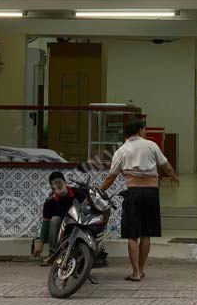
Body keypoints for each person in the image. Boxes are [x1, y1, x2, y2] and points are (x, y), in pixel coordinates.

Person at [100, 116, 178, 282]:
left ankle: (135, 272)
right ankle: (141, 270)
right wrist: (174, 176)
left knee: (132, 235)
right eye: (144, 129)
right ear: (140, 130)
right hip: (151, 192)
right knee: (146, 233)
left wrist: (99, 191)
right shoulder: (151, 145)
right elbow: (166, 165)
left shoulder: (121, 151)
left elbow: (110, 178)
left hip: (133, 192)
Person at [33, 171, 87, 266]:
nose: (58, 185)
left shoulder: (78, 193)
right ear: (52, 188)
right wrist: (40, 245)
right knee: (54, 220)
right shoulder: (50, 202)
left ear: (65, 183)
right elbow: (45, 224)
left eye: (59, 182)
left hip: (78, 226)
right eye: (54, 184)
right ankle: (53, 254)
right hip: (62, 232)